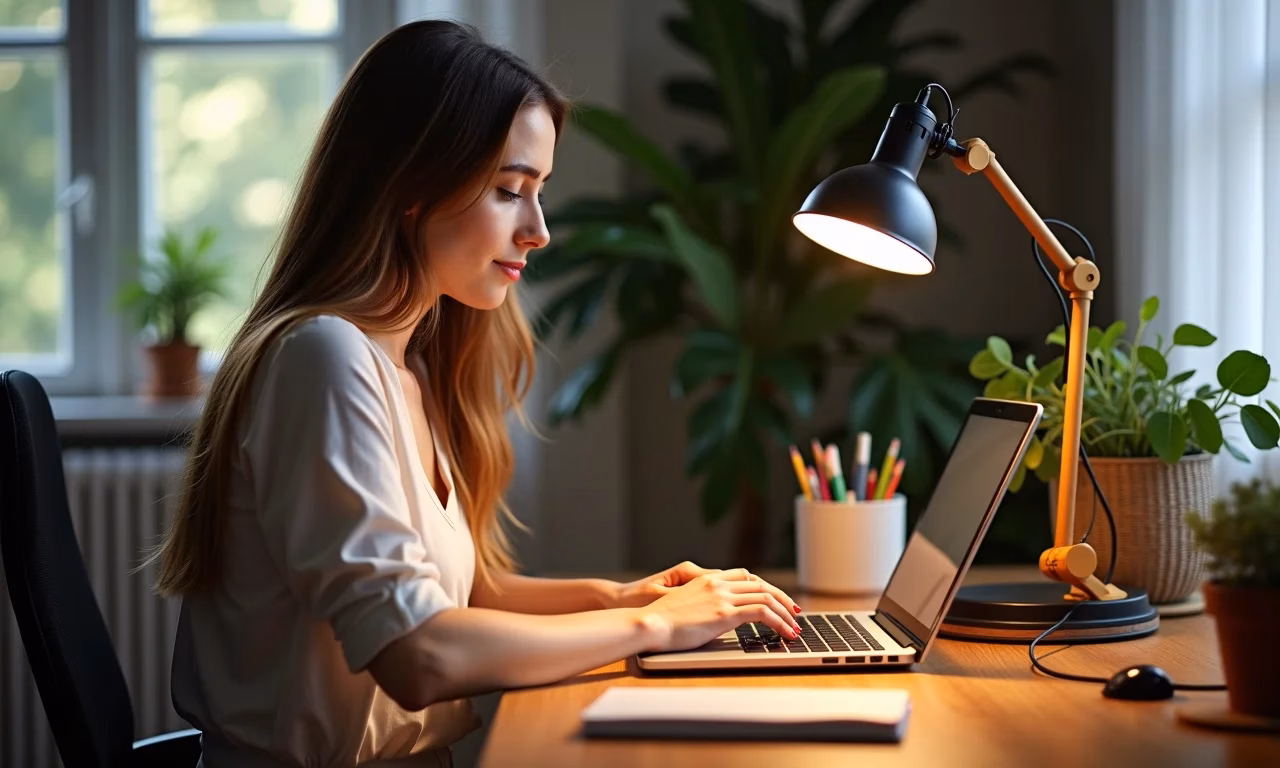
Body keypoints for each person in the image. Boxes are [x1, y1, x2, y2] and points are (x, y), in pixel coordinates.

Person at [148, 20, 802, 768]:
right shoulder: (323, 358)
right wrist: (656, 629)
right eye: (508, 190)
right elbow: (418, 653)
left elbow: (464, 597)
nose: (539, 230)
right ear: (410, 187)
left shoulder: (406, 366)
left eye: (539, 192)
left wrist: (623, 599)